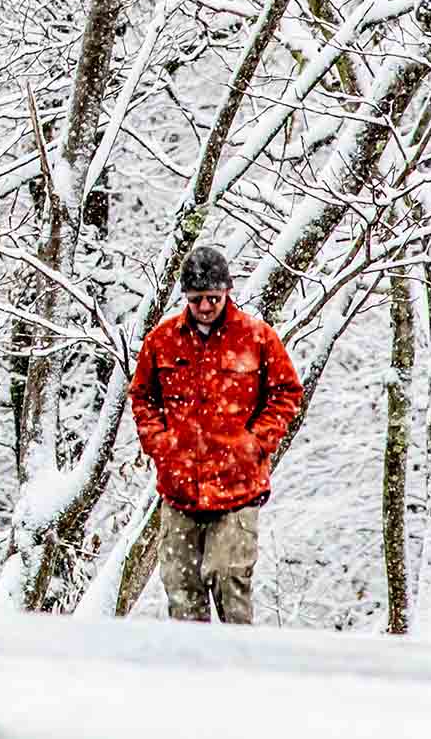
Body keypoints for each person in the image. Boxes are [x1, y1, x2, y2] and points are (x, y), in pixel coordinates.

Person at [128, 244, 302, 623]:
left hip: (237, 489)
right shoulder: (162, 341)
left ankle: (238, 672)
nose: (205, 307)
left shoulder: (257, 339)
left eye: (212, 298)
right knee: (180, 586)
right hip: (179, 491)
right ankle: (191, 675)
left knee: (230, 579)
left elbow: (287, 392)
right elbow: (142, 397)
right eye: (196, 299)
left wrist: (256, 442)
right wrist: (161, 446)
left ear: (227, 293)